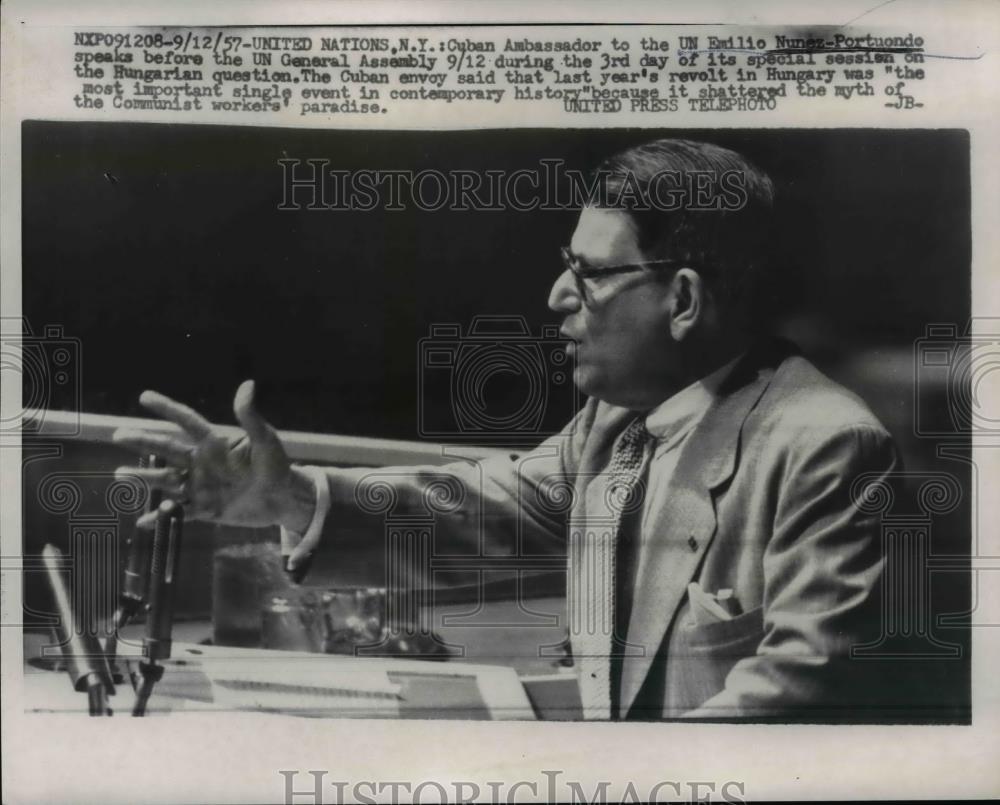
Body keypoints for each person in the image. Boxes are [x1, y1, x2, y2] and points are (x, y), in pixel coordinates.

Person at [113, 139, 899, 721]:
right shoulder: (616, 421)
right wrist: (287, 495)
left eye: (589, 272)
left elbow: (797, 700)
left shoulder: (825, 444)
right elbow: (476, 509)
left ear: (684, 298)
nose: (559, 294)